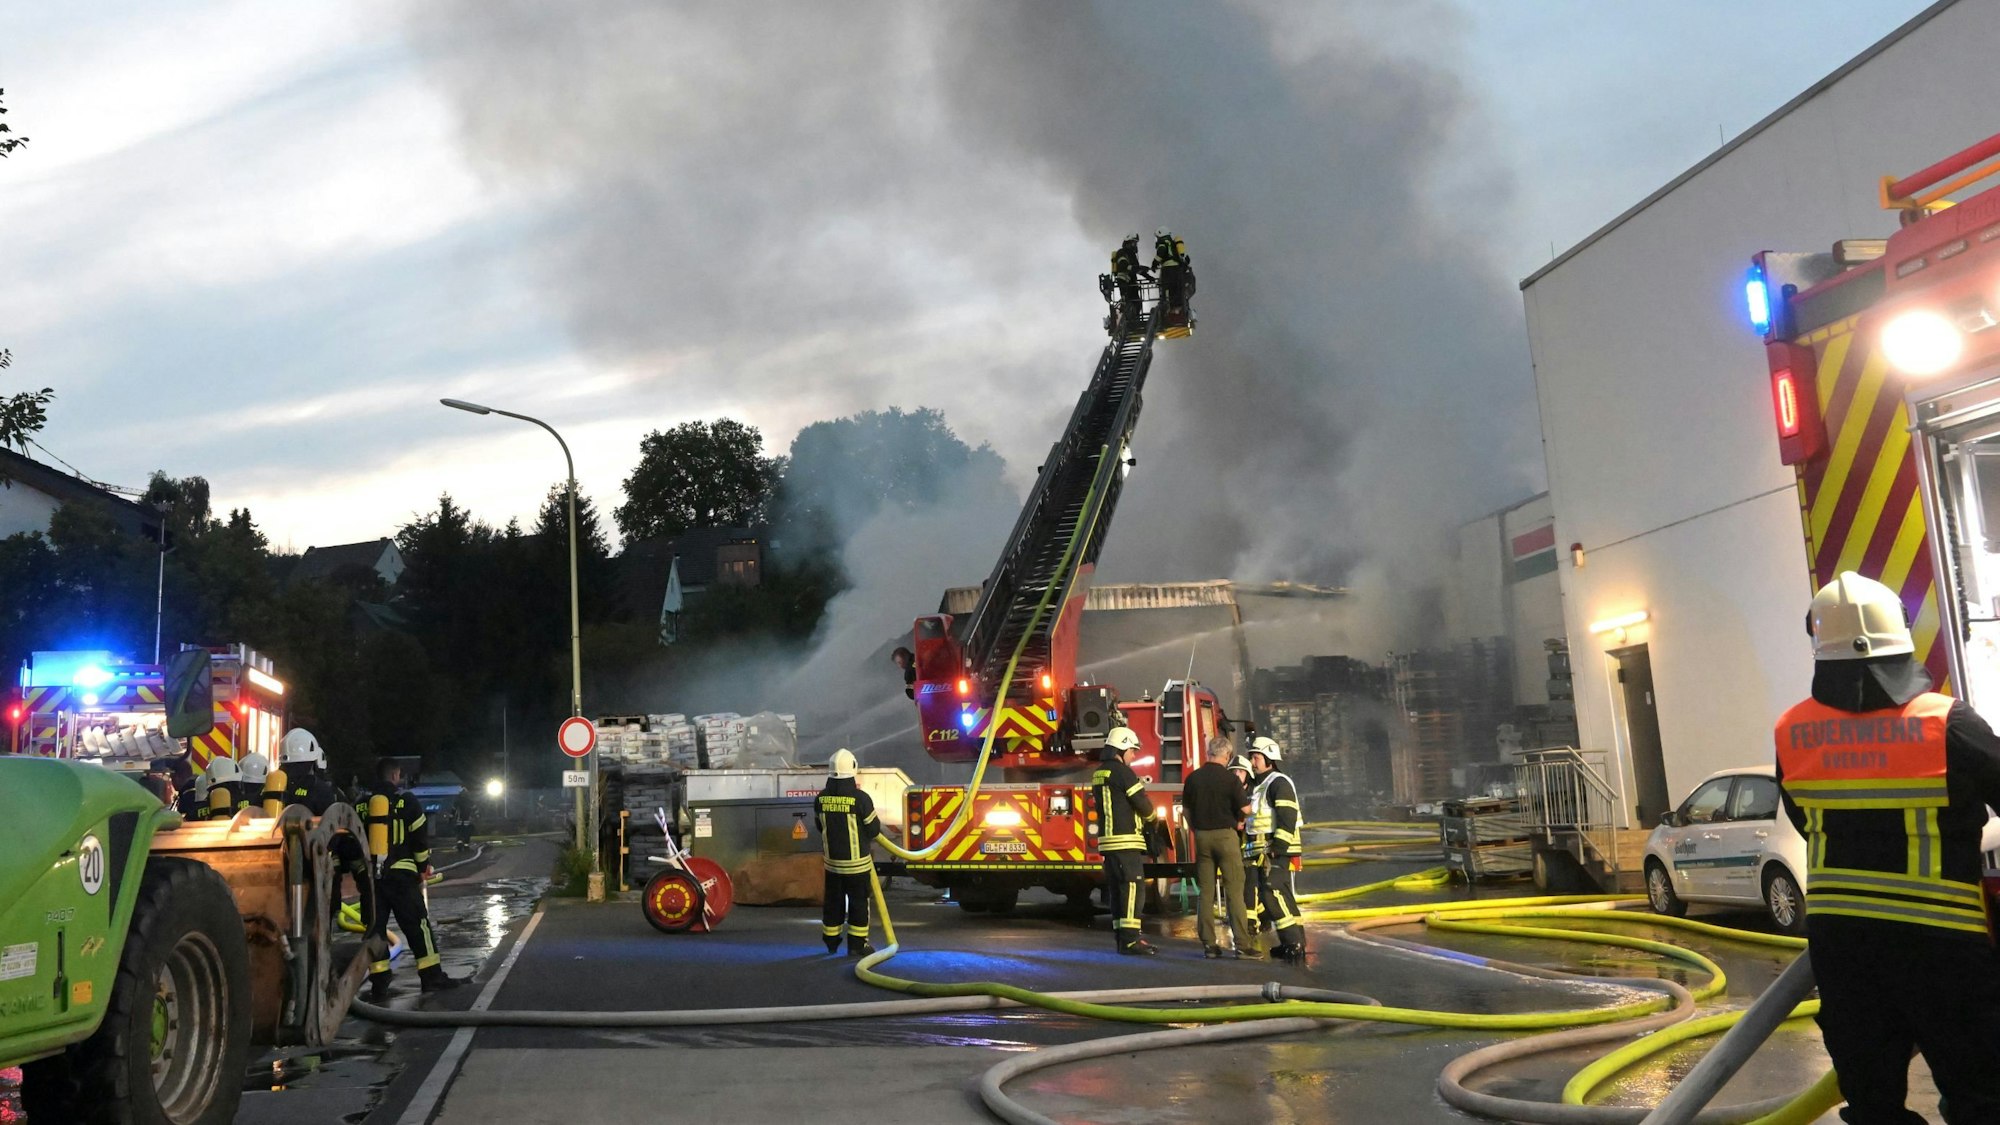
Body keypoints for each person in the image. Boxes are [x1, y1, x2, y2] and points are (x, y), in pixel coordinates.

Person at [1774, 571, 2000, 1124]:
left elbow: (1806, 820)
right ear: (1899, 639)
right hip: (1942, 943)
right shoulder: (1947, 722)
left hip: (1841, 945)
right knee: (1980, 1097)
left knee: (1873, 1102)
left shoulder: (1791, 731)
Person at [364, 757, 462, 999]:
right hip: (402, 877)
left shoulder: (361, 804)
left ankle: (379, 984)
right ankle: (431, 978)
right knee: (418, 926)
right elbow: (419, 839)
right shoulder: (406, 801)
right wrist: (423, 867)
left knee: (375, 931)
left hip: (371, 881)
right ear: (396, 775)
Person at [1181, 734, 1257, 958]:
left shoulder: (1193, 778)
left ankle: (1209, 945)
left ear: (1209, 753)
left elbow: (1186, 811)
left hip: (1202, 837)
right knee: (1234, 890)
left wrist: (1195, 829)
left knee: (1206, 892)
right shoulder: (1231, 779)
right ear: (1227, 755)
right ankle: (1242, 945)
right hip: (1226, 837)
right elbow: (1245, 810)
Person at [1092, 725, 1161, 956]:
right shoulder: (1124, 773)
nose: (1133, 756)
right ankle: (1131, 940)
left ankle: (1122, 939)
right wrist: (1153, 819)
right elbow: (1142, 803)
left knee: (1118, 891)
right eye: (1132, 750)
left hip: (1109, 842)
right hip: (1125, 841)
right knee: (1133, 888)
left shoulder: (1100, 772)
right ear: (1121, 748)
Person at [1247, 736, 1308, 963]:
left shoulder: (1278, 782)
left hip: (1278, 850)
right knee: (1281, 894)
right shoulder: (1261, 785)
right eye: (1252, 757)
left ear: (1269, 759)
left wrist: (1278, 847)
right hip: (1266, 850)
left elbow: (1287, 816)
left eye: (1256, 757)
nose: (1253, 762)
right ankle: (1294, 942)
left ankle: (1293, 942)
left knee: (1271, 891)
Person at [815, 748, 881, 956]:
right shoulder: (861, 799)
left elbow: (819, 826)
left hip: (832, 865)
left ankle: (831, 942)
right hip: (857, 866)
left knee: (833, 903)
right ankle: (857, 945)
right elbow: (874, 829)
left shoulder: (821, 799)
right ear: (853, 768)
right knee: (859, 903)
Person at [1151, 229, 1193, 316]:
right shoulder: (1173, 244)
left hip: (1168, 269)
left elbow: (1161, 252)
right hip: (1177, 270)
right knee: (1176, 289)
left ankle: (1168, 307)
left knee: (1167, 288)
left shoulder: (1163, 242)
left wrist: (1154, 263)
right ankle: (1177, 308)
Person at [1109, 234, 1146, 329]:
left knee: (1137, 302)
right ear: (1128, 243)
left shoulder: (1132, 255)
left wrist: (1148, 276)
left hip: (1132, 282)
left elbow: (1136, 269)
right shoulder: (1122, 252)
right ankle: (1127, 320)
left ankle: (1135, 320)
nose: (1135, 245)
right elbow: (1124, 265)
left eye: (1136, 243)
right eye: (1134, 243)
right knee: (1128, 302)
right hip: (1124, 281)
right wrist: (1136, 268)